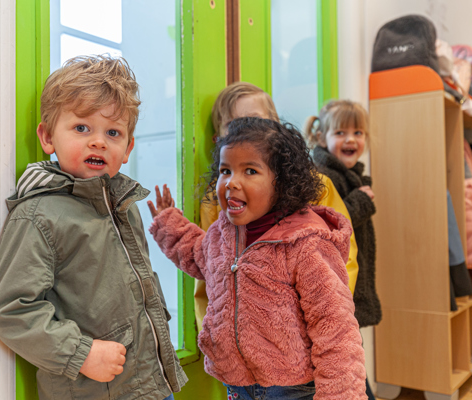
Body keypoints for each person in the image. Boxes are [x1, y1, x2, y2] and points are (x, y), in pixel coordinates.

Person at [0, 55, 186, 400]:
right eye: (82, 128)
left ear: (128, 148)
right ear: (48, 137)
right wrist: (81, 353)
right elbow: (12, 311)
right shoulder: (38, 215)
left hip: (150, 383)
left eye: (113, 132)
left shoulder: (124, 205)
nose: (98, 142)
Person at [149, 117, 367, 400]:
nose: (231, 183)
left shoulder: (306, 243)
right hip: (237, 384)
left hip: (292, 388)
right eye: (225, 171)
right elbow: (199, 256)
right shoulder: (222, 232)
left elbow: (335, 329)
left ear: (283, 182)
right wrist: (170, 225)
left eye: (250, 171)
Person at [194, 81, 360, 332]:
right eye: (235, 126)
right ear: (219, 141)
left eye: (255, 122)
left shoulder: (316, 188)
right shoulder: (215, 204)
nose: (245, 134)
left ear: (277, 131)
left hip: (305, 337)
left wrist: (328, 322)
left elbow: (343, 258)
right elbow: (209, 275)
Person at [304, 99, 382, 400]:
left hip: (347, 285)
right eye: (341, 133)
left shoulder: (350, 176)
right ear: (322, 137)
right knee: (349, 369)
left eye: (358, 132)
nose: (351, 139)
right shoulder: (325, 177)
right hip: (336, 289)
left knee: (351, 367)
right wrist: (360, 202)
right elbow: (329, 226)